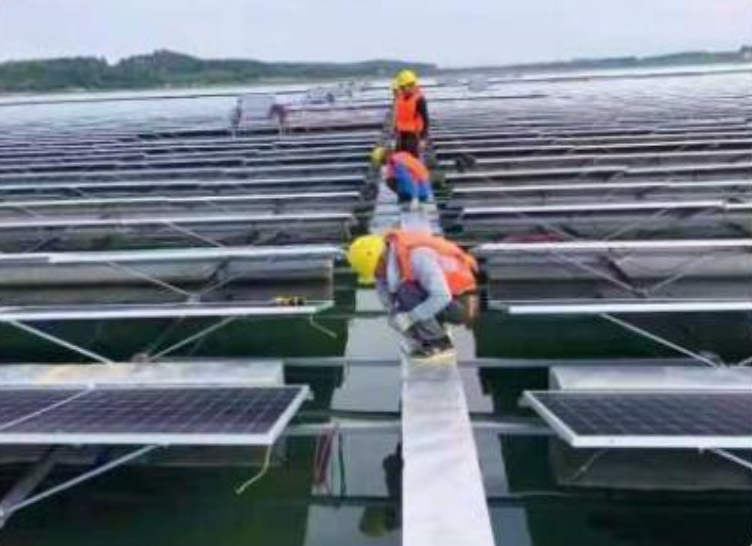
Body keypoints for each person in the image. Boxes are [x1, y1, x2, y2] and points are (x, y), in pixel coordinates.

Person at [347, 230, 479, 360]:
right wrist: (394, 316)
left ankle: (439, 344)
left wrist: (410, 318)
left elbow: (442, 296)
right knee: (402, 302)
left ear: (381, 258)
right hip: (447, 301)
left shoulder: (418, 257)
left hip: (464, 303)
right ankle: (429, 334)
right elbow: (387, 295)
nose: (377, 276)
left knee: (406, 291)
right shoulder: (390, 262)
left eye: (375, 271)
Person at [371, 146, 433, 211]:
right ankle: (406, 196)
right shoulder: (399, 156)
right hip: (424, 186)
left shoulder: (399, 165)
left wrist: (415, 198)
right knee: (390, 180)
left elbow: (412, 179)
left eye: (382, 161)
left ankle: (408, 198)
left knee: (393, 180)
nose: (383, 164)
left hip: (420, 192)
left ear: (385, 156)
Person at [393, 70, 429, 157]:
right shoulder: (400, 98)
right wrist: (394, 134)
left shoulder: (419, 100)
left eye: (402, 87)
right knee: (399, 157)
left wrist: (423, 138)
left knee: (412, 158)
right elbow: (398, 117)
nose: (401, 90)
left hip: (413, 135)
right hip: (401, 134)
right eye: (400, 87)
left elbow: (425, 120)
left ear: (411, 85)